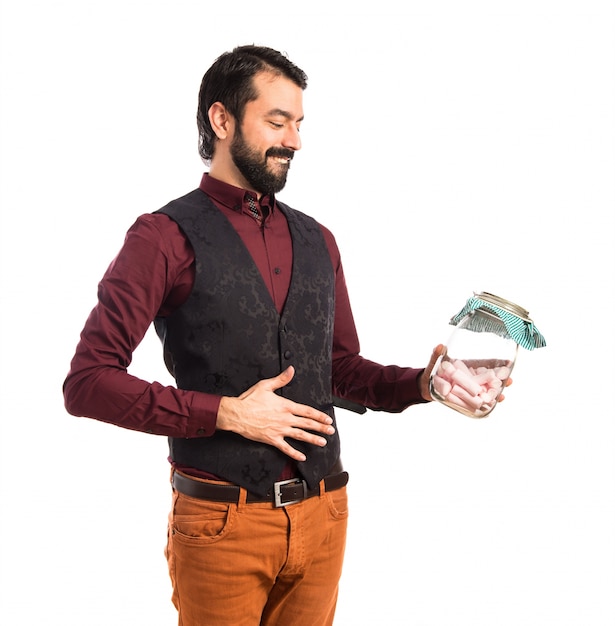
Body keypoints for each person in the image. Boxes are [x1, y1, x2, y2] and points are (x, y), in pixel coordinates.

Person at [63, 44, 505, 625]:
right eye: (276, 121)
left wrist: (426, 384)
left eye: (298, 124)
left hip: (325, 519)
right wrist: (225, 413)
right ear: (222, 120)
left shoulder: (318, 239)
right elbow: (88, 383)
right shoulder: (162, 237)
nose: (294, 140)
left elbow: (341, 372)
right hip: (223, 526)